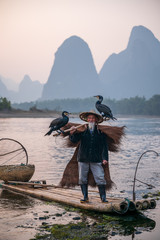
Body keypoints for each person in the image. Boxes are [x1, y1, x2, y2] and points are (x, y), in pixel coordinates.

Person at [69, 110, 109, 203]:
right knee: (82, 178)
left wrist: (105, 158)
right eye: (89, 118)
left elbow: (104, 147)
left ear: (96, 120)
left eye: (93, 118)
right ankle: (85, 196)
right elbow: (74, 140)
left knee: (100, 178)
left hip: (96, 159)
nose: (91, 120)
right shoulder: (82, 130)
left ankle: (103, 198)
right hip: (83, 158)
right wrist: (72, 133)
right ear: (87, 119)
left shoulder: (100, 132)